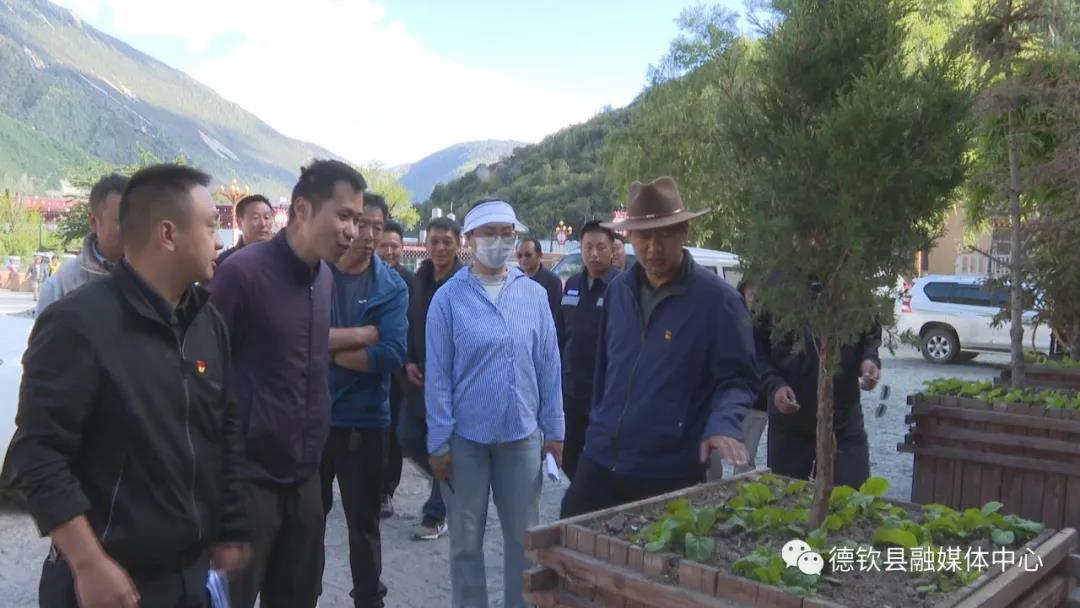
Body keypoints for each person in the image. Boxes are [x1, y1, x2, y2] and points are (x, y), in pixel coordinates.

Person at [7, 164, 251, 608]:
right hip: (108, 583)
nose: (219, 241)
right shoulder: (77, 323)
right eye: (210, 226)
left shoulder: (205, 321)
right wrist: (87, 562)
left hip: (190, 577)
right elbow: (37, 455)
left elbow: (224, 427)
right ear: (167, 234)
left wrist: (231, 525)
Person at [209, 159, 365, 608]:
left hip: (305, 479)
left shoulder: (325, 278)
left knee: (298, 596)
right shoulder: (242, 274)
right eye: (343, 216)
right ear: (302, 209)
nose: (352, 231)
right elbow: (205, 375)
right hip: (247, 482)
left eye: (357, 219)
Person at [560, 176, 757, 518]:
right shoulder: (618, 292)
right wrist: (597, 423)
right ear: (629, 237)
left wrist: (723, 425)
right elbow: (605, 369)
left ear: (684, 232)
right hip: (601, 456)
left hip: (668, 468)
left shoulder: (718, 301)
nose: (653, 247)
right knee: (569, 537)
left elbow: (738, 379)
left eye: (664, 235)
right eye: (644, 236)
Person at [426, 199, 564, 608]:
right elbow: (438, 375)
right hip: (465, 440)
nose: (499, 241)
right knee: (465, 543)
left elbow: (549, 365)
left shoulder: (533, 295)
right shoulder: (448, 299)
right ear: (469, 239)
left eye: (507, 233)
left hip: (522, 436)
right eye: (489, 233)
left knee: (524, 541)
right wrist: (438, 441)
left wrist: (555, 430)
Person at [320, 192, 408, 608]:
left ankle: (369, 601)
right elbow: (293, 337)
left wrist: (322, 347)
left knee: (364, 526)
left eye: (378, 226)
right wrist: (360, 336)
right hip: (312, 419)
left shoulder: (390, 286)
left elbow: (390, 354)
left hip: (365, 422)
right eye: (363, 224)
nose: (371, 235)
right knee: (306, 524)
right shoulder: (315, 273)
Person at [757, 295, 882, 488]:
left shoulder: (852, 286)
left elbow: (870, 332)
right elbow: (757, 350)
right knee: (788, 498)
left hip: (843, 421)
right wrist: (774, 385)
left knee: (852, 497)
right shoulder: (774, 288)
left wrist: (869, 359)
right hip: (790, 424)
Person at [400, 217, 462, 541]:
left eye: (447, 242)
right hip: (419, 377)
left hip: (451, 381)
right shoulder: (419, 279)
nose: (440, 248)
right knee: (407, 437)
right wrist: (407, 362)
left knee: (441, 442)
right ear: (426, 245)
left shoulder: (465, 283)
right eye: (434, 241)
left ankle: (436, 513)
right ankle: (449, 481)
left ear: (458, 244)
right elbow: (409, 324)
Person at [558, 221, 619, 480]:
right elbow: (561, 333)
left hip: (604, 392)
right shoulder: (572, 284)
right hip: (571, 390)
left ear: (612, 250)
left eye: (600, 247)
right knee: (569, 456)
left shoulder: (621, 287)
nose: (594, 254)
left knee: (601, 459)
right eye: (588, 247)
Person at [37, 174, 127, 315]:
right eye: (122, 221)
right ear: (93, 222)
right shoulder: (61, 286)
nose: (132, 228)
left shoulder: (154, 277)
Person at [375, 215, 414, 518]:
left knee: (393, 434)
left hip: (400, 368)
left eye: (395, 246)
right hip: (370, 364)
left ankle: (386, 490)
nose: (389, 251)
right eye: (384, 246)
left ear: (402, 248)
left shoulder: (410, 281)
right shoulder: (366, 278)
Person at [735, 279, 767, 475]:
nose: (754, 301)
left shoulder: (768, 325)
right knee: (709, 459)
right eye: (750, 296)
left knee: (745, 460)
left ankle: (743, 492)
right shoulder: (732, 319)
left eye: (758, 297)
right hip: (727, 397)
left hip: (757, 401)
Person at [217, 194, 274, 267]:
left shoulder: (283, 257)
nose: (263, 224)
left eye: (267, 217)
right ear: (239, 223)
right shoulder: (226, 261)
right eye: (255, 218)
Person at [516, 238, 562, 328]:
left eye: (528, 255)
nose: (523, 259)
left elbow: (555, 315)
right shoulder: (513, 278)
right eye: (519, 256)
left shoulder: (552, 281)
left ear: (539, 255)